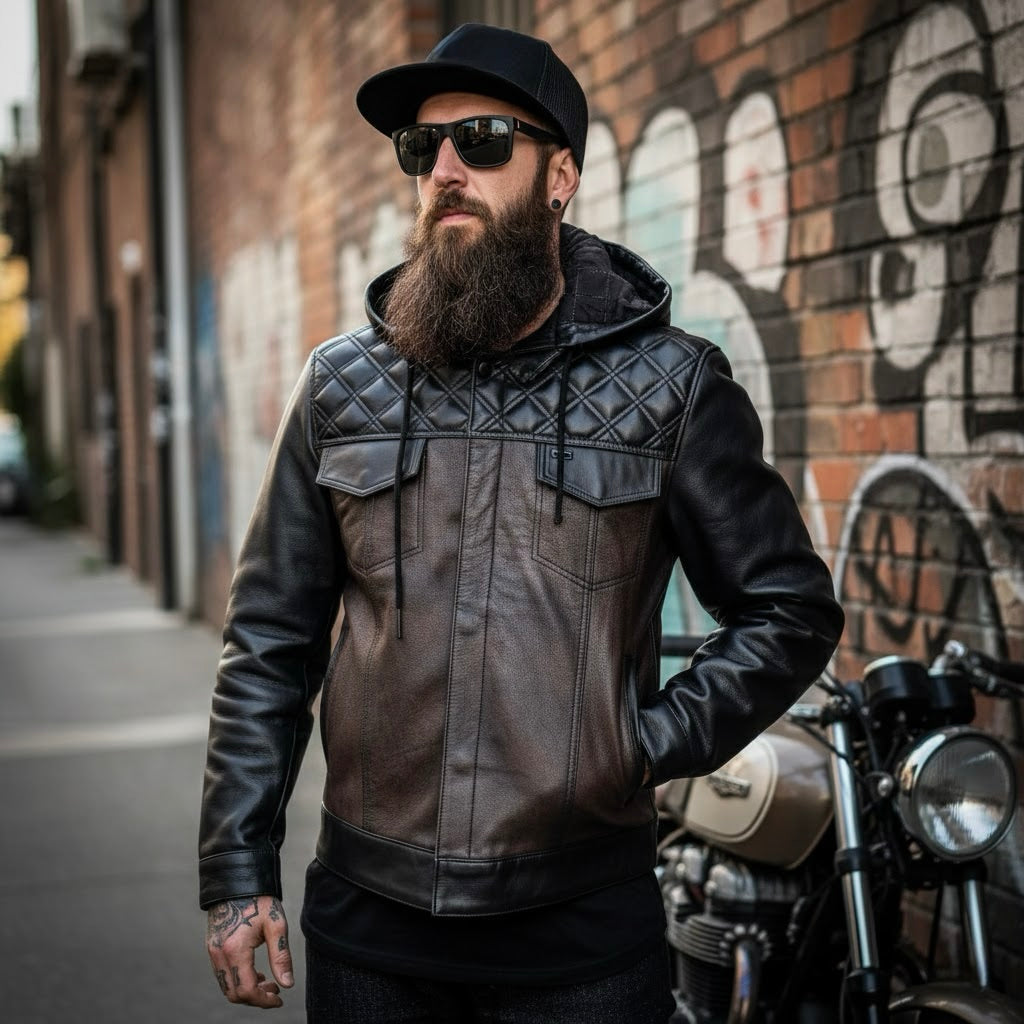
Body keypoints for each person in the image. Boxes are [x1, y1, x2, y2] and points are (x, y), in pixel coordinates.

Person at [199, 21, 845, 1023]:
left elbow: (787, 610)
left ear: (560, 176)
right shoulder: (341, 386)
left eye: (485, 141)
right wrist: (237, 869)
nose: (446, 169)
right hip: (370, 926)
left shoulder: (671, 388)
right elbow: (269, 642)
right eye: (423, 148)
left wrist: (640, 741)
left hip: (580, 936)